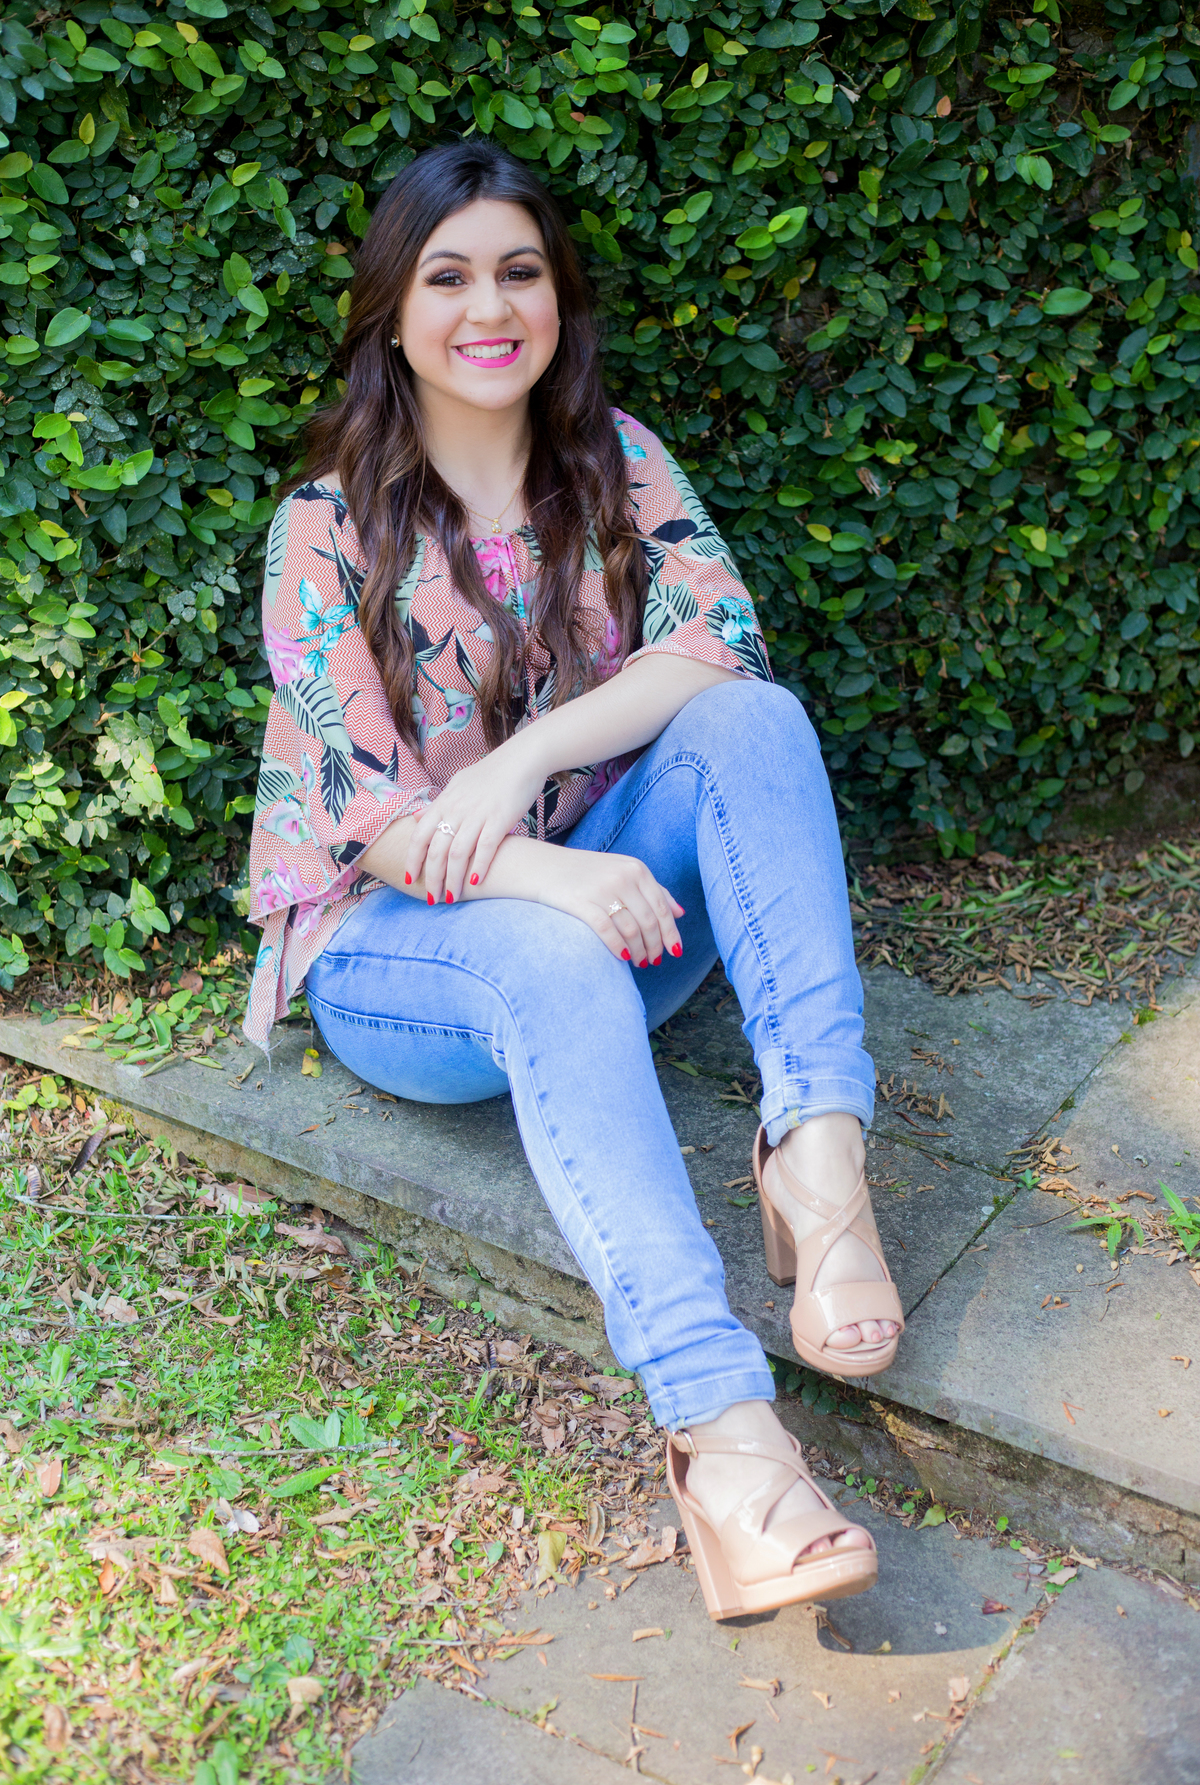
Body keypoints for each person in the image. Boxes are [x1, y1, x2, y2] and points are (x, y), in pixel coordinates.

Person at [243, 140, 903, 1621]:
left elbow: (716, 642)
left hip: (607, 905)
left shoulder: (616, 464)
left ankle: (820, 1167)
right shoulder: (320, 527)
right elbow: (369, 819)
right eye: (450, 274)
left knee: (753, 719)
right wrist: (535, 866)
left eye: (521, 271)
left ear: (559, 301)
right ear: (392, 312)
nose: (492, 307)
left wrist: (511, 763)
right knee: (541, 953)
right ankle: (725, 1443)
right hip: (402, 959)